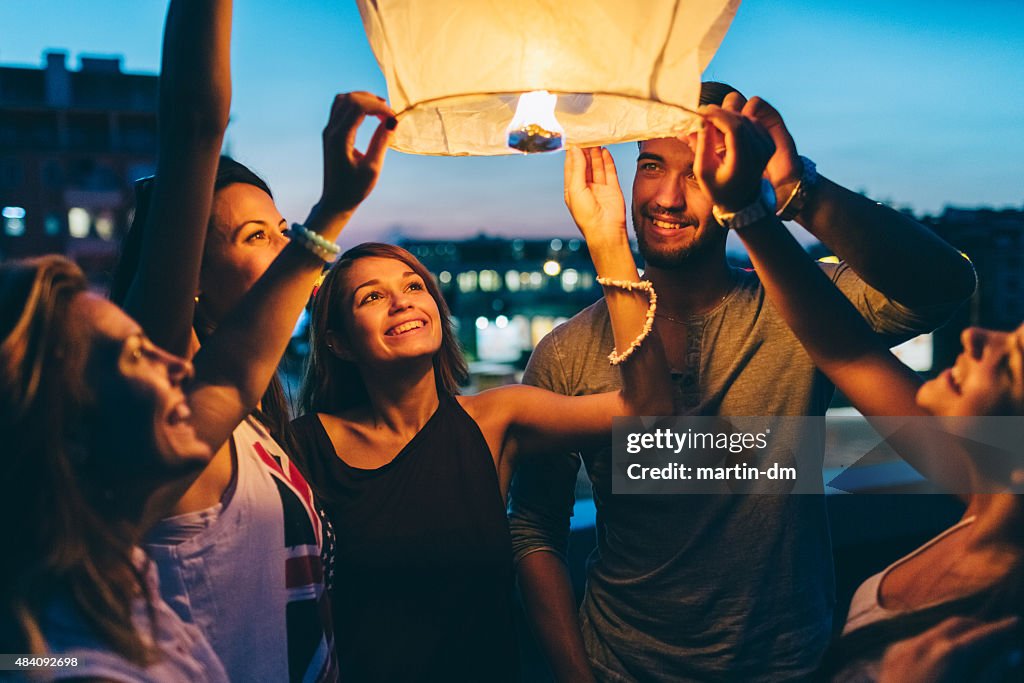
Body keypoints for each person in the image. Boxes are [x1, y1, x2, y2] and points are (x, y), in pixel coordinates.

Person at [508, 81, 978, 681]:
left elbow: (944, 288)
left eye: (698, 175)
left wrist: (798, 190)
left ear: (738, 184)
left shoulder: (804, 302)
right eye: (651, 165)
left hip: (786, 666)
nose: (669, 198)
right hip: (621, 666)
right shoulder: (567, 352)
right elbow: (535, 525)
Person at [289, 145, 674, 682]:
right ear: (338, 343)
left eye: (414, 286)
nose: (402, 302)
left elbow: (651, 413)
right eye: (371, 297)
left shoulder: (497, 419)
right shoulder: (302, 449)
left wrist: (608, 242)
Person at [107, 0, 395, 680]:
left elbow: (644, 428)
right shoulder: (173, 411)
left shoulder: (256, 423)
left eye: (283, 228)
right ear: (189, 278)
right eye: (254, 236)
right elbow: (194, 129)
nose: (287, 248)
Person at [693, 93, 1023, 681]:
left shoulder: (998, 625)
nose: (978, 339)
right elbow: (841, 348)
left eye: (1015, 362)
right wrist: (782, 195)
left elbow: (938, 288)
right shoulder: (985, 500)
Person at [0, 231, 333, 675]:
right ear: (67, 427)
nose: (178, 368)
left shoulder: (112, 588)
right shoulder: (85, 666)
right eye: (137, 354)